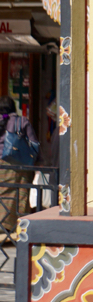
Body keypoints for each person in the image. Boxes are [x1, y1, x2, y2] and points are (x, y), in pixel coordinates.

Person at [0, 96, 38, 239]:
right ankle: (18, 227)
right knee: (20, 193)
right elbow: (33, 143)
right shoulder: (21, 121)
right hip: (18, 164)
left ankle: (2, 223)